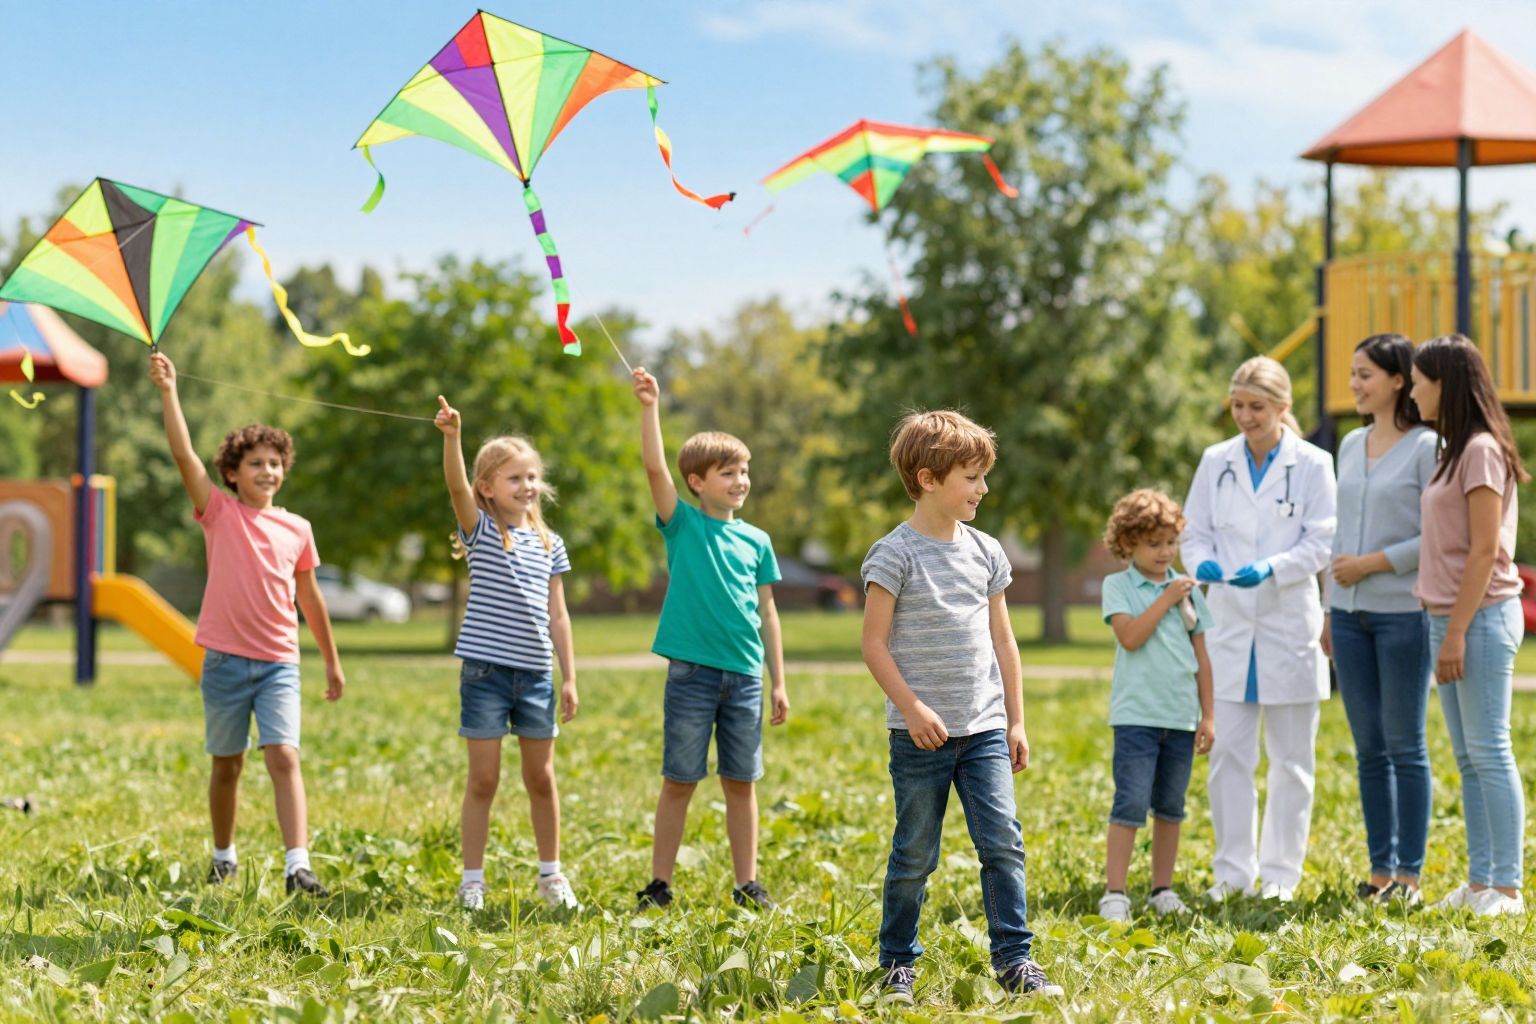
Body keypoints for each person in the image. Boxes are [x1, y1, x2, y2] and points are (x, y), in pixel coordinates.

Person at [861, 410, 1061, 1003]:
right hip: (919, 737)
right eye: (971, 478)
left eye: (983, 476)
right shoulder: (894, 554)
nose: (983, 489)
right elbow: (872, 644)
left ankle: (1015, 960)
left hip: (985, 731)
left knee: (1002, 844)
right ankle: (897, 964)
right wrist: (912, 708)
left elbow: (1004, 641)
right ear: (928, 479)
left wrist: (1016, 720)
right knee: (914, 855)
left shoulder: (986, 551)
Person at [150, 351, 344, 896]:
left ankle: (298, 866)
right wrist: (169, 391)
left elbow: (310, 598)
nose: (268, 471)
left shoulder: (298, 528)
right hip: (225, 662)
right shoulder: (219, 512)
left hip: (280, 661)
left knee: (284, 755)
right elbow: (183, 454)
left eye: (275, 463)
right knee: (227, 765)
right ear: (233, 474)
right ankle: (223, 856)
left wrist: (332, 661)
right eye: (256, 463)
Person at [629, 367, 788, 911]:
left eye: (744, 471)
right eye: (728, 472)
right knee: (680, 780)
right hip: (692, 676)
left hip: (744, 677)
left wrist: (778, 682)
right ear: (697, 482)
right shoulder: (683, 525)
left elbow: (768, 611)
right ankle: (659, 885)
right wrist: (650, 407)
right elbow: (654, 467)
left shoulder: (758, 540)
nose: (740, 480)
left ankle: (747, 885)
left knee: (741, 782)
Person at [1181, 356, 1336, 903]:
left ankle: (1280, 877)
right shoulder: (1216, 460)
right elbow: (1193, 532)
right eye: (1238, 406)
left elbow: (1322, 541)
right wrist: (1201, 563)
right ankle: (1232, 873)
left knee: (1292, 762)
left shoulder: (1313, 463)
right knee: (1228, 755)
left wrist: (1274, 567)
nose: (1245, 417)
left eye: (1257, 407)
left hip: (1287, 622)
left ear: (1282, 407)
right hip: (1229, 623)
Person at [435, 397, 579, 912]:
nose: (527, 486)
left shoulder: (550, 543)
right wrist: (453, 438)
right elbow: (455, 486)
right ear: (487, 487)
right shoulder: (481, 530)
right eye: (514, 477)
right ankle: (472, 882)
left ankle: (551, 876)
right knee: (484, 779)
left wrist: (569, 676)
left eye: (532, 476)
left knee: (541, 778)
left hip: (537, 675)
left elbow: (558, 615)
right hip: (486, 674)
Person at [1410, 335, 1529, 918]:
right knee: (1468, 757)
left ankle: (1506, 889)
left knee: (1490, 750)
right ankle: (1481, 881)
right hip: (1449, 619)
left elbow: (1486, 551)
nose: (1412, 392)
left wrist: (1455, 632)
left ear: (1445, 384)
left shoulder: (1481, 450)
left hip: (1477, 619)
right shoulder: (1453, 451)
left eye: (1418, 382)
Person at [1324, 334, 1437, 906]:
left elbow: (1437, 535)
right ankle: (1379, 873)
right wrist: (1328, 608)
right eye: (1352, 373)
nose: (1354, 384)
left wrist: (1371, 564)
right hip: (1347, 617)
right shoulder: (1350, 443)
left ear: (1398, 380)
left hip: (1403, 615)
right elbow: (1338, 533)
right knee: (1368, 748)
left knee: (1404, 745)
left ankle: (1409, 877)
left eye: (1364, 374)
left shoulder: (1427, 447)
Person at [1098, 489, 1215, 922]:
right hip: (1137, 718)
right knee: (1130, 803)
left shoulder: (1189, 591)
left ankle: (1162, 889)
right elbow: (1130, 637)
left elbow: (1202, 657)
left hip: (1180, 718)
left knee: (1171, 807)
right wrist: (1165, 598)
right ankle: (1115, 893)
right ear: (1128, 544)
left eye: (1171, 542)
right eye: (1154, 544)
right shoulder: (1119, 586)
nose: (1166, 552)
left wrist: (1208, 715)